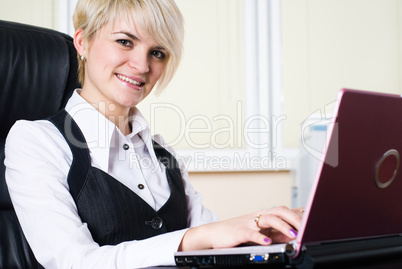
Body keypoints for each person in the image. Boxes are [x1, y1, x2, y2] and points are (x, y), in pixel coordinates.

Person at [4, 0, 302, 268]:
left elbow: (210, 234)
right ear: (82, 42)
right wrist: (196, 238)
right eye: (124, 41)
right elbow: (75, 262)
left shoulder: (161, 151)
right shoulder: (36, 141)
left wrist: (261, 231)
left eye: (156, 52)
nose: (142, 65)